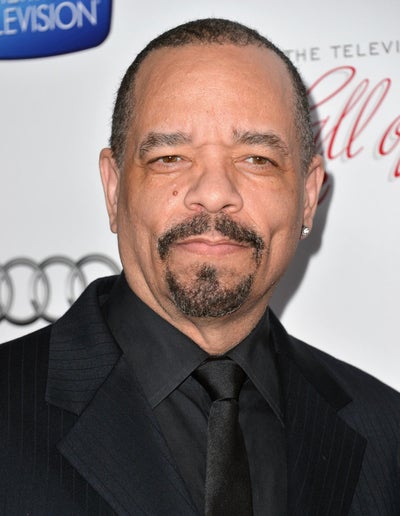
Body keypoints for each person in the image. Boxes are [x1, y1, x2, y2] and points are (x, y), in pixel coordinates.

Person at [0, 18, 399, 516]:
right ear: (114, 188)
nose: (213, 193)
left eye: (257, 158)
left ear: (308, 196)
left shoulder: (387, 436)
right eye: (169, 157)